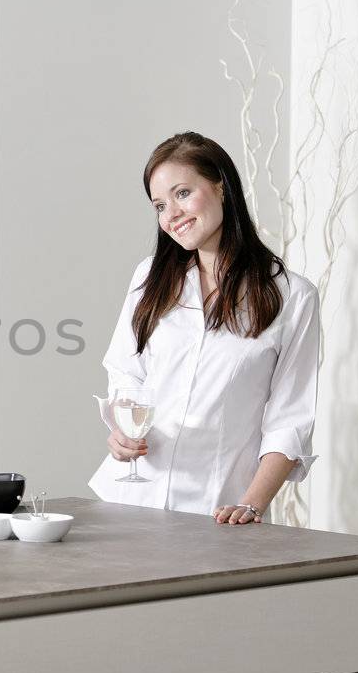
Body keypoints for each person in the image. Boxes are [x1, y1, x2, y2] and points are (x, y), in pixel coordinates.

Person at [88, 131, 320, 525]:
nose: (171, 215)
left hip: (215, 513)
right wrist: (122, 432)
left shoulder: (292, 297)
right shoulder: (149, 278)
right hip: (126, 500)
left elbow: (289, 420)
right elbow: (126, 373)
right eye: (159, 205)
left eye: (182, 193)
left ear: (221, 187)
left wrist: (251, 505)